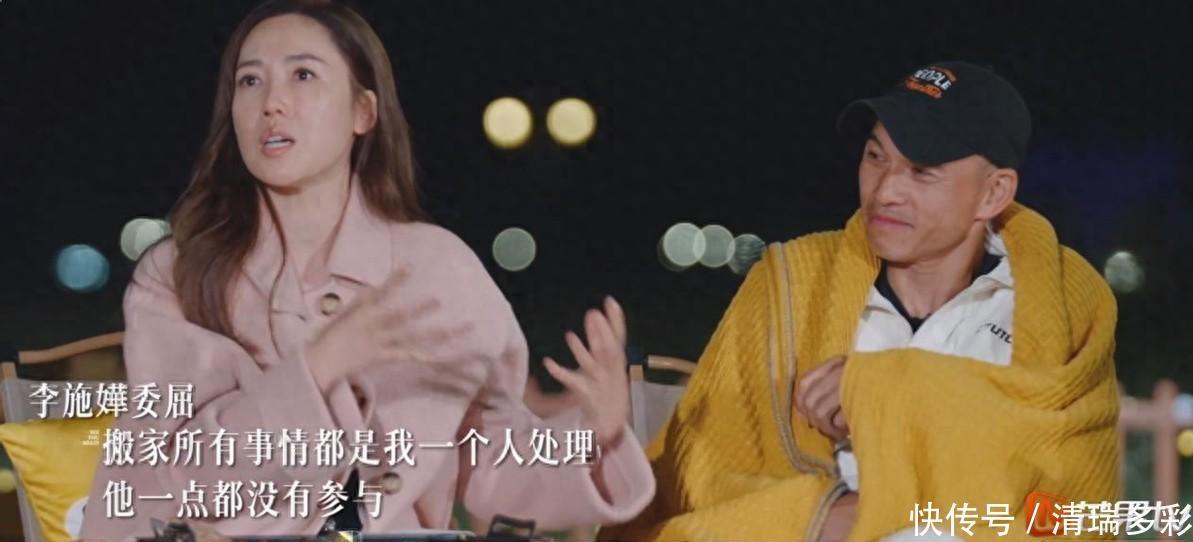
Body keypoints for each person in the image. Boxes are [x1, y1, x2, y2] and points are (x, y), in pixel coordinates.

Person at [79, 1, 653, 539]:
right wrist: (317, 370)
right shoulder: (179, 273)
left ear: (363, 111)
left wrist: (595, 435)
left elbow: (489, 459)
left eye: (303, 75)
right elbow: (173, 479)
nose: (271, 102)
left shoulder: (436, 269)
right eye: (249, 81)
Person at [601, 61, 1119, 541]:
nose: (885, 190)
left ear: (993, 193)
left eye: (922, 171)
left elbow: (1074, 502)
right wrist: (826, 515)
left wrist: (885, 391)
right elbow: (700, 470)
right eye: (876, 157)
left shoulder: (1062, 301)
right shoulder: (791, 284)